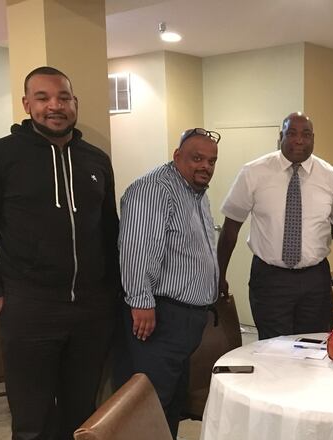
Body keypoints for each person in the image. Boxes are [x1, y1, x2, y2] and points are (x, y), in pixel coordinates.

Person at [0, 66, 119, 439]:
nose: (55, 106)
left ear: (75, 103)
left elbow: (109, 233)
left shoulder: (96, 160)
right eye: (44, 97)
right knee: (32, 423)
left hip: (90, 314)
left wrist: (110, 297)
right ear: (27, 103)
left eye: (63, 97)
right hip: (27, 312)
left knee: (82, 417)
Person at [115, 128, 220, 436]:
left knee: (172, 401)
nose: (206, 166)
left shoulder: (195, 193)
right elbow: (136, 248)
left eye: (212, 161)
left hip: (185, 319)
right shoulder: (153, 189)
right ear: (177, 156)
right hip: (159, 317)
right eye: (197, 158)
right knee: (151, 403)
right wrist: (141, 302)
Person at [218, 112, 333, 340]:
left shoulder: (332, 177)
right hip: (270, 279)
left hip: (314, 281)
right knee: (272, 350)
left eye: (306, 134)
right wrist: (219, 274)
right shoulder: (253, 172)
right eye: (292, 133)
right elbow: (231, 228)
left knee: (314, 348)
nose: (299, 140)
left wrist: (314, 240)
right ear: (281, 136)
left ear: (313, 139)